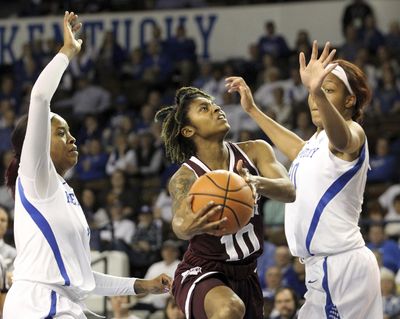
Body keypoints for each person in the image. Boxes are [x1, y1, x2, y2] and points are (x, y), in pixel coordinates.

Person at [2, 12, 172, 318]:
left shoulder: (64, 192)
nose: (72, 137)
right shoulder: (37, 178)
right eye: (61, 132)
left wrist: (142, 285)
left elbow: (85, 279)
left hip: (66, 303)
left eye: (70, 130)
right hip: (39, 304)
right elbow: (40, 97)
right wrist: (67, 51)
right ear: (35, 143)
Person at [225, 41, 382, 318]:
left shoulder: (352, 131)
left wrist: (315, 90)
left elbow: (343, 140)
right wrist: (252, 110)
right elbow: (298, 149)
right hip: (323, 268)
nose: (315, 99)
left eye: (327, 90)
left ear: (349, 101)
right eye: (314, 93)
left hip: (340, 267)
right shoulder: (316, 142)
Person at [155, 84, 295, 318]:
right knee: (229, 308)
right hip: (202, 271)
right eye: (204, 109)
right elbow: (179, 225)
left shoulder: (256, 151)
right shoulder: (185, 177)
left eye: (215, 105)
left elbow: (289, 191)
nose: (216, 109)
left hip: (247, 274)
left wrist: (255, 182)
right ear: (188, 131)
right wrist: (191, 223)